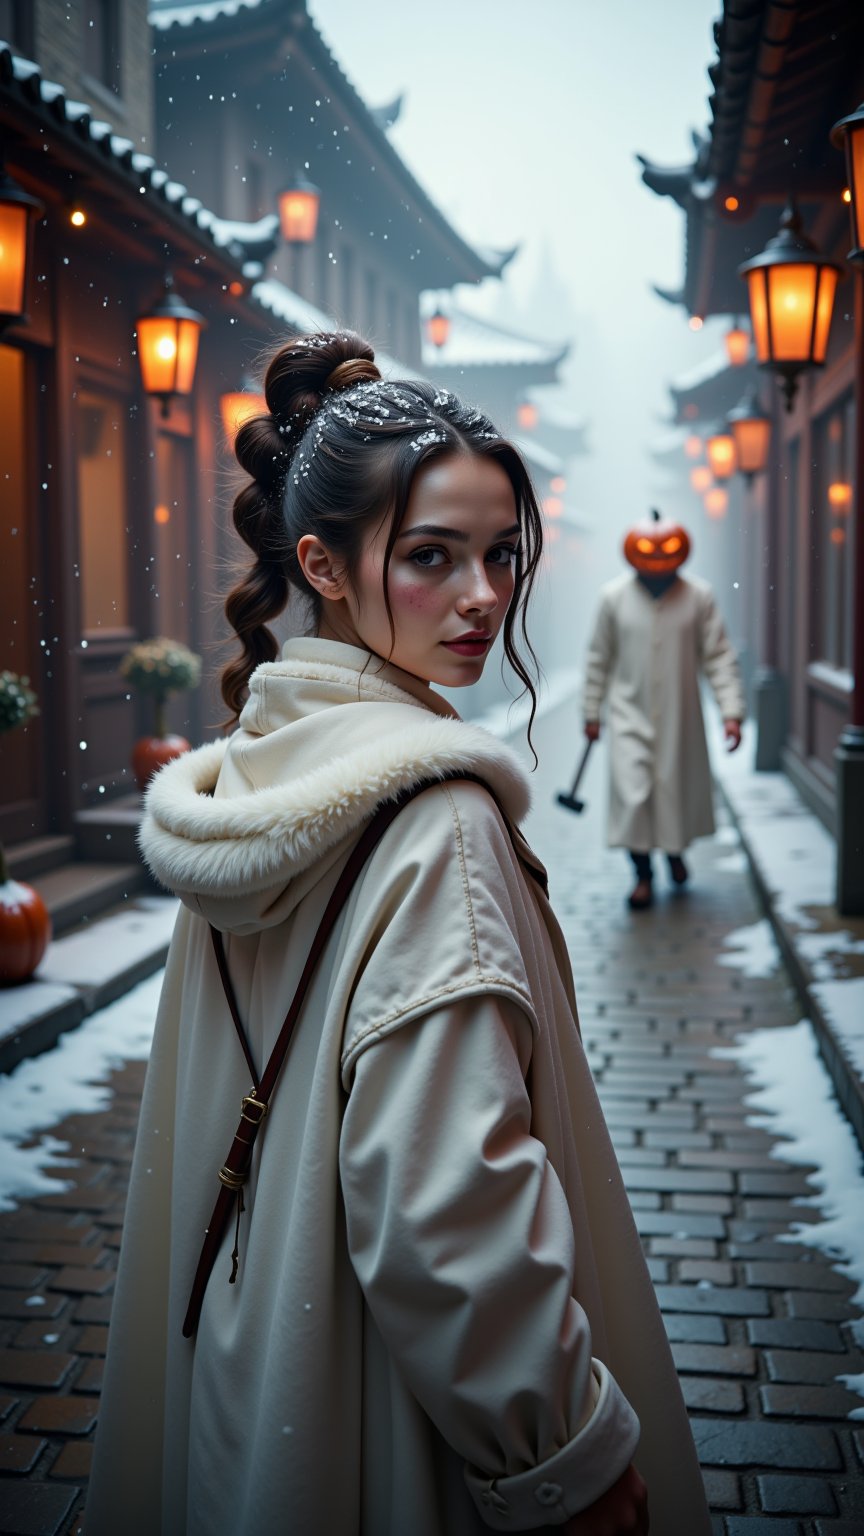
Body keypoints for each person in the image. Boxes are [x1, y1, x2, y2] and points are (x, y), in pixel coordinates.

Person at [85, 334, 710, 1536]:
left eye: (501, 556)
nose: (484, 597)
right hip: (391, 1419)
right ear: (319, 561)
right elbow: (445, 1205)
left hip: (265, 1338)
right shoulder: (437, 821)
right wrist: (561, 1455)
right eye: (433, 556)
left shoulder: (254, 779)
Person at [583, 509, 745, 911]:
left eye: (667, 548)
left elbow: (719, 657)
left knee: (674, 791)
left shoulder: (698, 597)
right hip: (627, 714)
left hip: (680, 716)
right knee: (634, 795)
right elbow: (598, 658)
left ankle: (674, 854)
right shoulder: (613, 598)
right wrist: (591, 712)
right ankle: (642, 875)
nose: (657, 556)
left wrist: (731, 712)